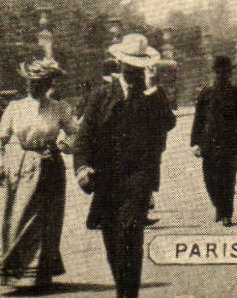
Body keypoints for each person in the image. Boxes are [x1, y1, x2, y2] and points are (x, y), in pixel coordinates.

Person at [72, 34, 176, 298]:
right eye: (131, 67)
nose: (136, 72)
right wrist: (81, 167)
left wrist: (153, 91)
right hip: (105, 179)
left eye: (141, 67)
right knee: (112, 243)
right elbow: (84, 135)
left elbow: (167, 122)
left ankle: (128, 295)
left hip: (138, 178)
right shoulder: (101, 96)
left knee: (130, 235)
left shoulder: (151, 95)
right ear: (121, 65)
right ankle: (124, 291)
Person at [0, 57, 79, 290]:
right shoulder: (15, 107)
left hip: (51, 166)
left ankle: (43, 270)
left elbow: (75, 133)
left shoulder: (59, 108)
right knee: (21, 216)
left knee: (48, 218)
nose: (33, 86)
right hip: (23, 167)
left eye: (39, 83)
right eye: (31, 82)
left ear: (48, 84)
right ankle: (14, 266)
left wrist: (63, 145)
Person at [190, 55, 237, 226]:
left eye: (225, 72)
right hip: (209, 143)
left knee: (228, 180)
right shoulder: (205, 94)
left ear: (229, 74)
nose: (221, 75)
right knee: (209, 180)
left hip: (230, 143)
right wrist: (195, 143)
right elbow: (198, 120)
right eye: (218, 72)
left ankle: (226, 213)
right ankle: (219, 205)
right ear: (214, 73)